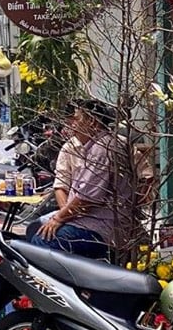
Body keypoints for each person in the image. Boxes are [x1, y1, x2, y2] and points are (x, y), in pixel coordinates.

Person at [27, 99, 119, 260]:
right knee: (36, 229)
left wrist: (60, 218)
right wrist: (64, 216)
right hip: (83, 219)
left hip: (99, 227)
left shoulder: (101, 150)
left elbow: (87, 198)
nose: (71, 125)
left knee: (42, 242)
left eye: (76, 119)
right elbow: (62, 186)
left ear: (92, 122)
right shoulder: (90, 147)